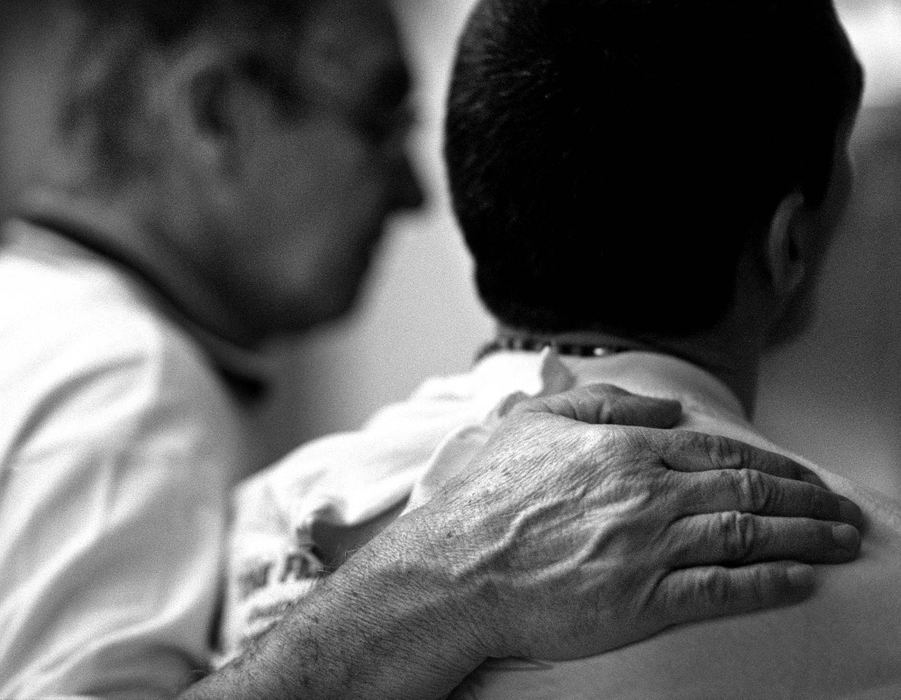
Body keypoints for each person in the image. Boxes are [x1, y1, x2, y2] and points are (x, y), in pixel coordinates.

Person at [0, 0, 868, 697]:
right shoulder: (122, 384)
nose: (413, 193)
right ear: (217, 109)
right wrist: (447, 581)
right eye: (381, 120)